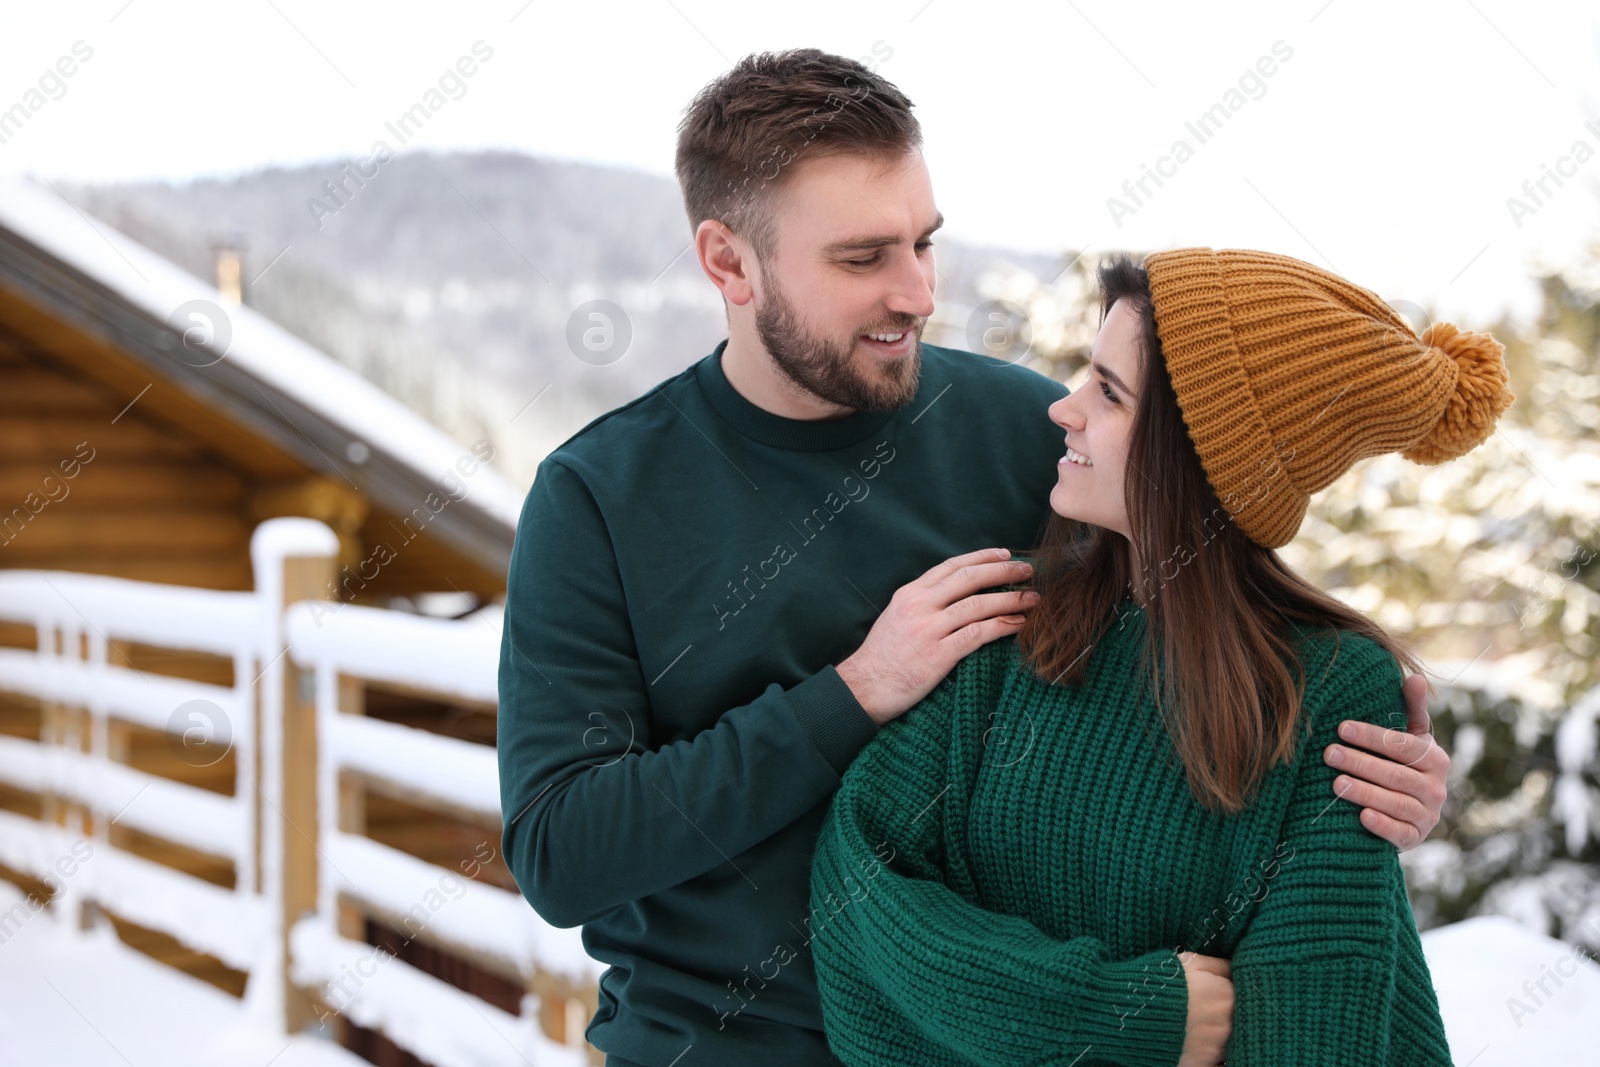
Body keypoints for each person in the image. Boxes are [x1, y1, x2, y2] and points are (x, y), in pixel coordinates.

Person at [496, 51, 1451, 1067]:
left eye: (925, 242)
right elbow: (561, 851)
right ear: (729, 263)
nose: (915, 292)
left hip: (1001, 1041)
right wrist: (856, 691)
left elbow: (1192, 658)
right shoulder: (598, 497)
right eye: (863, 258)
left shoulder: (1022, 433)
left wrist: (1364, 773)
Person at [809, 248, 1514, 1066]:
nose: (1063, 410)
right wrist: (1125, 1013)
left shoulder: (1330, 686)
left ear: (1206, 454)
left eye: (1108, 391)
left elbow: (1313, 1027)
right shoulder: (1012, 618)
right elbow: (856, 901)